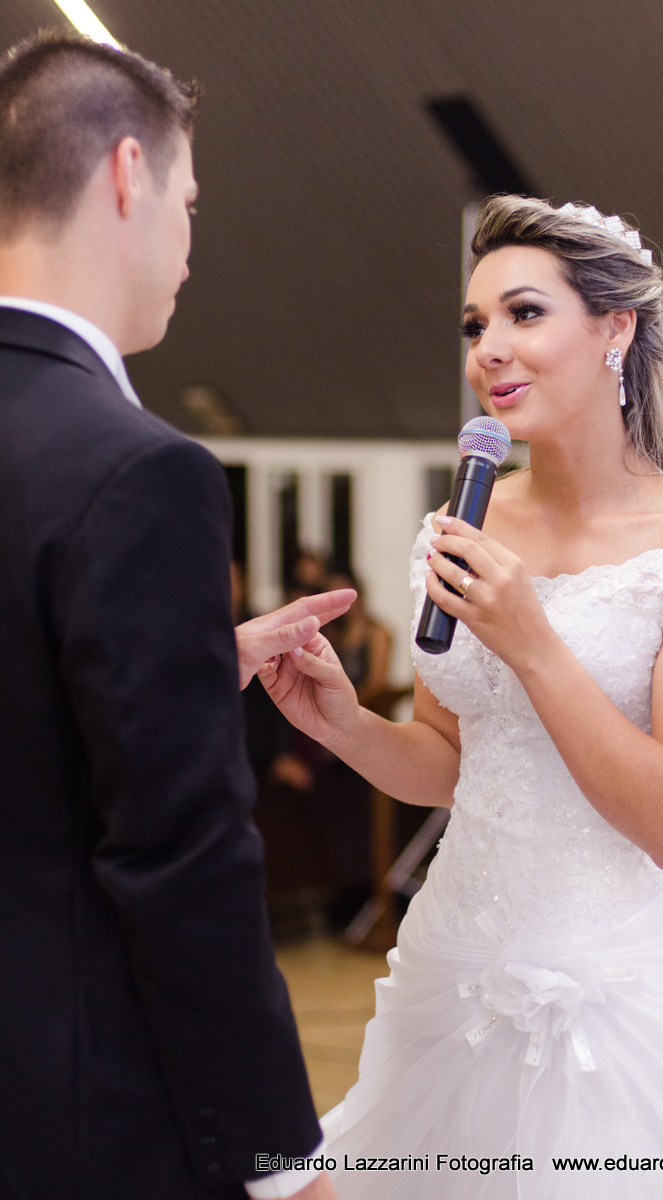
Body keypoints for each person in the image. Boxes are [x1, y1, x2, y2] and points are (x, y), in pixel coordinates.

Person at [253, 196, 663, 1196]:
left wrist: (533, 643)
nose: (489, 349)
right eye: (475, 325)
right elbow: (452, 764)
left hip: (624, 999)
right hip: (456, 967)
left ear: (615, 329)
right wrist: (346, 724)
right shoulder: (462, 527)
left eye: (525, 314)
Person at [0, 31, 350, 1200]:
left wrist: (191, 673)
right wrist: (280, 1160)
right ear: (127, 174)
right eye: (189, 203)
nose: (190, 245)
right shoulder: (137, 469)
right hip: (68, 1110)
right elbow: (179, 855)